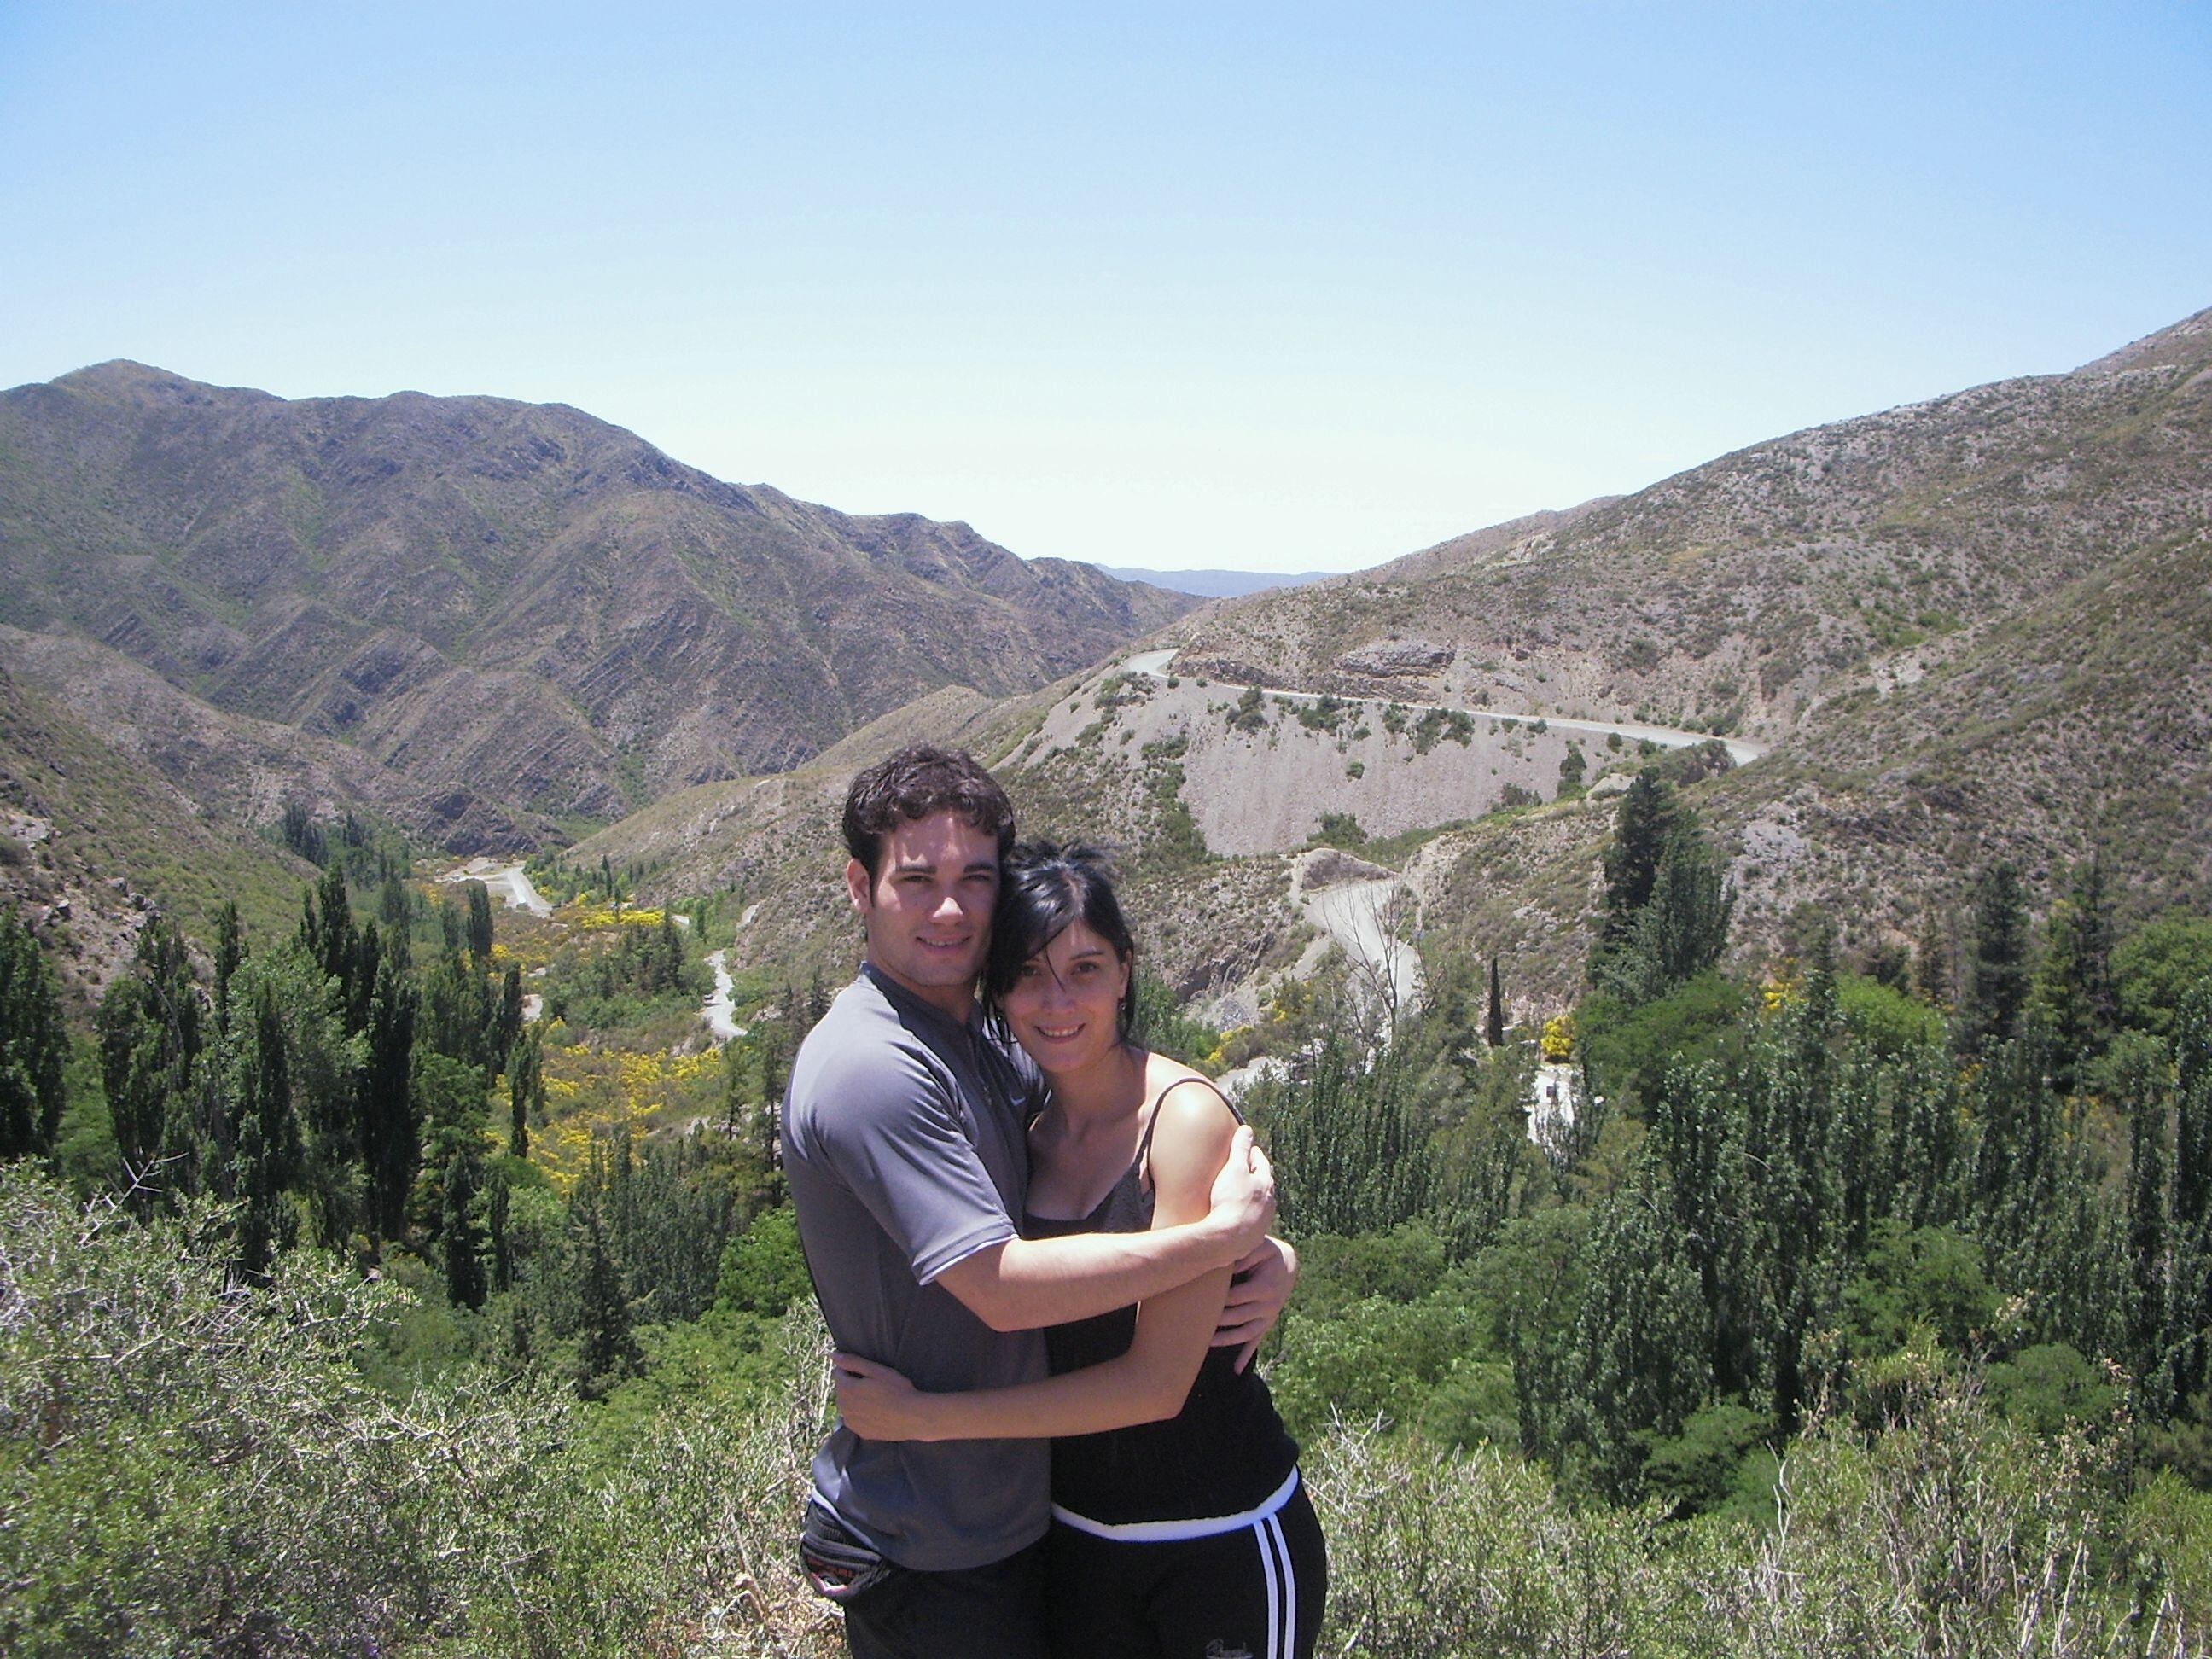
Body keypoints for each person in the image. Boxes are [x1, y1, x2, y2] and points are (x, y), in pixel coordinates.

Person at [782, 748, 1296, 1659]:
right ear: (859, 887)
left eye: (975, 878)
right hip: (935, 1540)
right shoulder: (875, 1066)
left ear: (1126, 972)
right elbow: (1004, 1288)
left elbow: (1134, 1152)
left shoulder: (991, 1052)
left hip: (1075, 1532)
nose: (950, 907)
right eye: (917, 879)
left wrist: (1267, 1258)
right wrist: (1220, 1243)